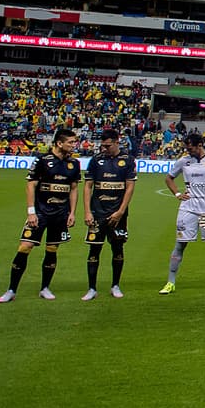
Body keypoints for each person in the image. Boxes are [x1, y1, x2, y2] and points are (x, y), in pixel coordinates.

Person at [0, 128, 81, 303]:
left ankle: (45, 287)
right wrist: (31, 212)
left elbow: (74, 189)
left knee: (52, 249)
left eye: (75, 142)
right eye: (71, 142)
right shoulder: (42, 160)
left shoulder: (74, 163)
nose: (74, 145)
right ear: (59, 143)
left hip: (60, 215)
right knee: (25, 247)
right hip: (40, 213)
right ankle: (11, 290)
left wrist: (72, 212)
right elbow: (31, 185)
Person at [160, 132, 205, 295]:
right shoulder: (184, 161)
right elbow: (169, 178)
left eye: (190, 148)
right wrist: (177, 194)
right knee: (180, 244)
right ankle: (170, 282)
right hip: (187, 208)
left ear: (199, 145)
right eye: (186, 148)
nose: (188, 151)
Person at [81, 129, 135, 301]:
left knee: (118, 248)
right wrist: (88, 211)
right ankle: (91, 288)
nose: (104, 148)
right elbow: (88, 186)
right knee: (94, 249)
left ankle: (115, 285)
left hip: (118, 214)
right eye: (102, 145)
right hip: (97, 212)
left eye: (108, 145)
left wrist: (120, 212)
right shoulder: (96, 160)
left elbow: (129, 188)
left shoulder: (127, 160)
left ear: (117, 141)